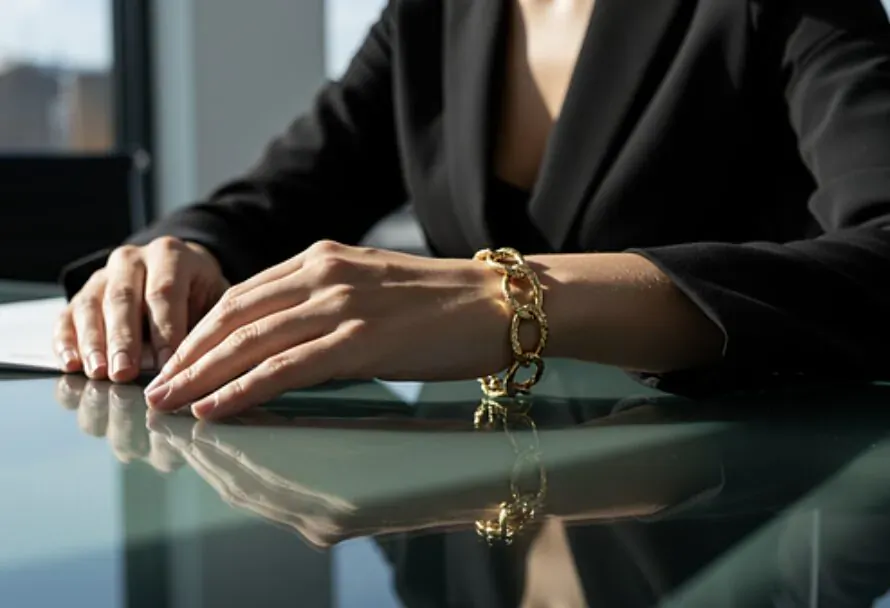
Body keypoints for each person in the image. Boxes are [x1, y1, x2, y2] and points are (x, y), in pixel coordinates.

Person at [55, 0, 890, 420]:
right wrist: (178, 248)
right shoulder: (437, 14)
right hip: (475, 492)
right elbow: (277, 200)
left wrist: (513, 300)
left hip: (737, 495)